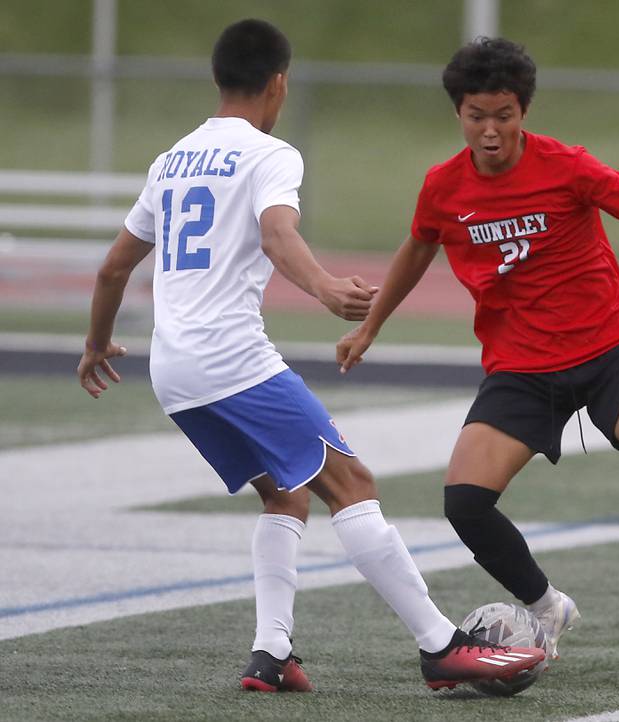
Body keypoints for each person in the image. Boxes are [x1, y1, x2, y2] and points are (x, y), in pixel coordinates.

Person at [77, 21, 544, 693]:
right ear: (279, 83)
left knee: (285, 495)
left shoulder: (171, 159)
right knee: (351, 484)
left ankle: (271, 653)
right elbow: (276, 232)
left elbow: (113, 270)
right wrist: (325, 286)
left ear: (217, 80)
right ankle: (442, 647)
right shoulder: (272, 155)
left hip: (172, 370)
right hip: (230, 359)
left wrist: (96, 344)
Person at [337, 37, 619, 663]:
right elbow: (418, 248)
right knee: (464, 501)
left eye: (504, 116)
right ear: (458, 114)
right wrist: (371, 326)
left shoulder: (569, 166)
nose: (490, 132)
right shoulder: (443, 188)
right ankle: (546, 603)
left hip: (608, 346)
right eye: (476, 116)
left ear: (524, 112)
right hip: (520, 365)